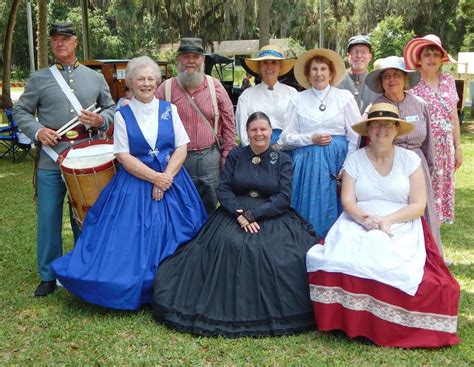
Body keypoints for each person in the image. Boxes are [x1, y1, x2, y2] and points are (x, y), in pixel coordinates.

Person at [50, 56, 207, 310]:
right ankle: (138, 284)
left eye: (150, 79)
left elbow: (182, 147)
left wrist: (166, 176)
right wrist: (155, 177)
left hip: (173, 178)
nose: (146, 83)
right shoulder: (122, 115)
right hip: (136, 182)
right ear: (131, 83)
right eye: (140, 79)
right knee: (128, 240)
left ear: (158, 81)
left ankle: (175, 280)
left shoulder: (170, 110)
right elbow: (123, 156)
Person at [306, 103, 460, 348]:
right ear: (368, 129)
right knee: (341, 257)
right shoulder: (355, 159)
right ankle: (352, 322)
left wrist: (387, 221)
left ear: (397, 129)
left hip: (401, 221)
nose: (381, 129)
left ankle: (388, 325)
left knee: (392, 262)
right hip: (359, 219)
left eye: (388, 124)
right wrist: (367, 221)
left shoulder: (410, 160)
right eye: (376, 124)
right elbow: (347, 201)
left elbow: (419, 205)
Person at [152, 112, 318, 337]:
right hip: (234, 213)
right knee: (229, 244)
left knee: (282, 254)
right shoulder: (236, 155)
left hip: (270, 214)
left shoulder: (283, 160)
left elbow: (283, 197)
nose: (258, 133)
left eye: (263, 129)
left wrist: (254, 214)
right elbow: (224, 189)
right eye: (253, 130)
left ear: (271, 131)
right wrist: (239, 214)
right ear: (246, 133)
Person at [13, 22, 115, 297]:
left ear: (75, 43)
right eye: (55, 39)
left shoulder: (93, 78)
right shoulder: (38, 78)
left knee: (86, 215)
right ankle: (48, 274)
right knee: (48, 217)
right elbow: (21, 111)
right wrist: (37, 130)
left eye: (65, 39)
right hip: (50, 159)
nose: (60, 44)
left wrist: (100, 118)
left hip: (84, 161)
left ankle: (86, 268)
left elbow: (111, 108)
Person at [365, 56, 443, 256]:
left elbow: (429, 143)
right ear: (381, 82)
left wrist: (430, 169)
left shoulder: (419, 103)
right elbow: (365, 142)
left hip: (418, 165)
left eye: (396, 75)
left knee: (422, 210)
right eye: (387, 77)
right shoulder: (376, 106)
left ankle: (429, 257)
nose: (392, 80)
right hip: (390, 165)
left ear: (405, 78)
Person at [280, 48, 361, 238]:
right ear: (308, 74)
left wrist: (347, 166)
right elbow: (285, 139)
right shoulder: (298, 99)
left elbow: (355, 136)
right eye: (314, 69)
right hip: (306, 166)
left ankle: (335, 248)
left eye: (323, 69)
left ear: (331, 73)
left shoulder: (344, 97)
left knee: (336, 204)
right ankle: (303, 244)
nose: (319, 74)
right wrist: (310, 138)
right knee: (307, 207)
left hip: (336, 163)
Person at [155, 37, 236, 214]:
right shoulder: (165, 89)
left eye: (196, 56)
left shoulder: (215, 86)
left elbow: (229, 121)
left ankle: (207, 240)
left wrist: (227, 154)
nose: (191, 61)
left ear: (203, 59)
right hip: (178, 160)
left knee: (211, 206)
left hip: (210, 158)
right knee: (181, 206)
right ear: (178, 59)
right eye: (186, 56)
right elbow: (152, 124)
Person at [404, 34, 461, 224]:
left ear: (441, 59)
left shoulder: (448, 81)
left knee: (440, 193)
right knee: (421, 191)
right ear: (419, 59)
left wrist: (458, 147)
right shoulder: (412, 84)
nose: (431, 59)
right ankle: (422, 236)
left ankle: (435, 241)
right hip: (423, 147)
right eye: (427, 54)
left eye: (436, 55)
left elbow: (453, 116)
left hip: (446, 148)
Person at [236, 45, 296, 147]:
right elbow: (242, 128)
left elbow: (295, 125)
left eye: (274, 62)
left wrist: (279, 145)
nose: (269, 67)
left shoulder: (292, 93)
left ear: (280, 66)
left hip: (286, 150)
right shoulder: (247, 95)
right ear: (259, 67)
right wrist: (254, 150)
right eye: (265, 62)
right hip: (253, 150)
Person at [337, 35, 380, 114]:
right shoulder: (336, 80)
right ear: (348, 56)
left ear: (370, 57)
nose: (359, 56)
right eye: (355, 52)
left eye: (363, 52)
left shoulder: (377, 83)